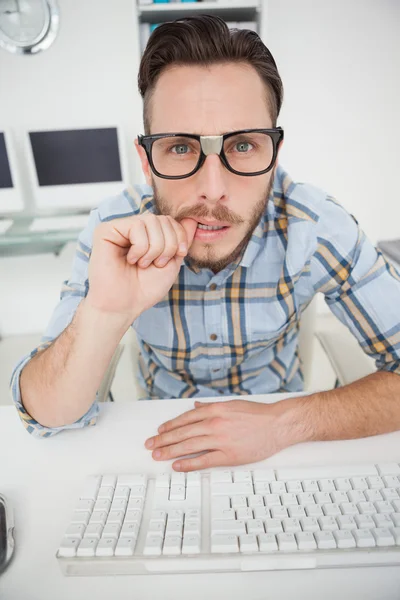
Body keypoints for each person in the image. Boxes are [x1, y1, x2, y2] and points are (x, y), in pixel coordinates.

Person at [11, 16, 400, 472]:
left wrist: (285, 424)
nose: (212, 189)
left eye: (242, 146)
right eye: (180, 147)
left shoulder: (317, 225)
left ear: (274, 153)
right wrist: (105, 312)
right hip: (155, 439)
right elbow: (44, 416)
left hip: (282, 443)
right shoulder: (113, 229)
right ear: (146, 159)